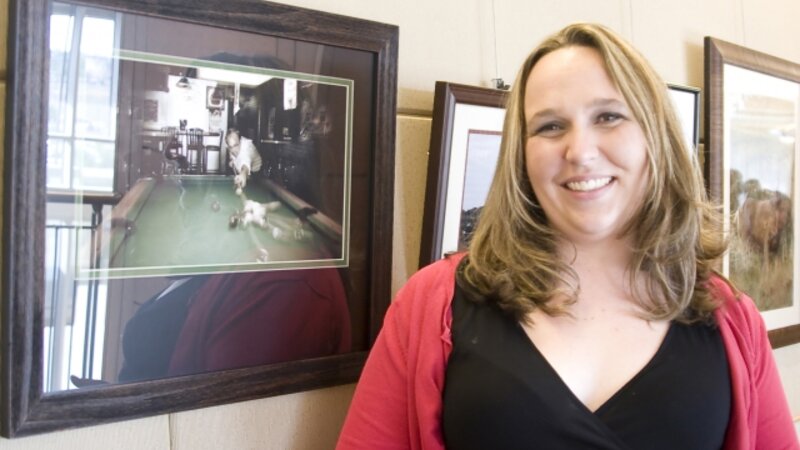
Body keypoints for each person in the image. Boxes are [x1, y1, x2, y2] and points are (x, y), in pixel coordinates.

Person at [337, 23, 799, 449]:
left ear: (655, 137)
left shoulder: (732, 320)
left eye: (608, 117)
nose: (579, 151)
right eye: (550, 126)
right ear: (521, 155)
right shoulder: (431, 305)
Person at [226, 128, 263, 194]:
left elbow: (245, 161)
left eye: (235, 145)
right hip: (246, 174)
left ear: (240, 140)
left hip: (258, 176)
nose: (233, 150)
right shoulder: (232, 147)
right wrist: (231, 159)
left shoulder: (247, 147)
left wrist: (243, 173)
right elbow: (230, 149)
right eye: (231, 147)